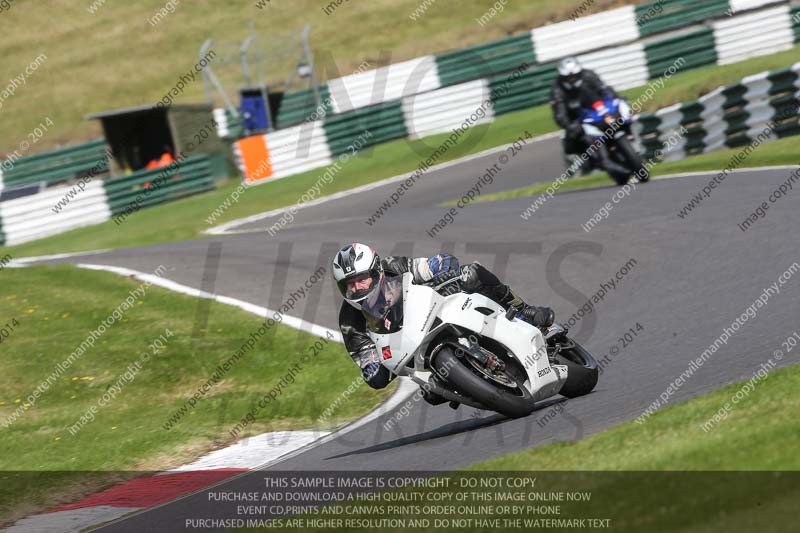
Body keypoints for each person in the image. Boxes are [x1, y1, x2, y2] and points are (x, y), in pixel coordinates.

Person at [332, 243, 555, 391]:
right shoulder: (349, 321)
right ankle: (447, 382)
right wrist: (371, 368)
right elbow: (365, 356)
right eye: (349, 285)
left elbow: (425, 268)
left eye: (361, 279)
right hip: (407, 350)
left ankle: (524, 310)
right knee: (391, 383)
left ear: (375, 271)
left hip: (431, 311)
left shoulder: (391, 267)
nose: (357, 287)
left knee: (472, 273)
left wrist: (439, 265)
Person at [550, 57, 629, 178]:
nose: (572, 79)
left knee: (622, 114)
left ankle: (631, 139)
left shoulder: (588, 75)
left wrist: (615, 99)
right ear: (562, 77)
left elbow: (605, 90)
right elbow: (559, 112)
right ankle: (599, 161)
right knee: (573, 139)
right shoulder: (557, 89)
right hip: (577, 118)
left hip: (598, 110)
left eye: (575, 75)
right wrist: (569, 125)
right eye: (568, 77)